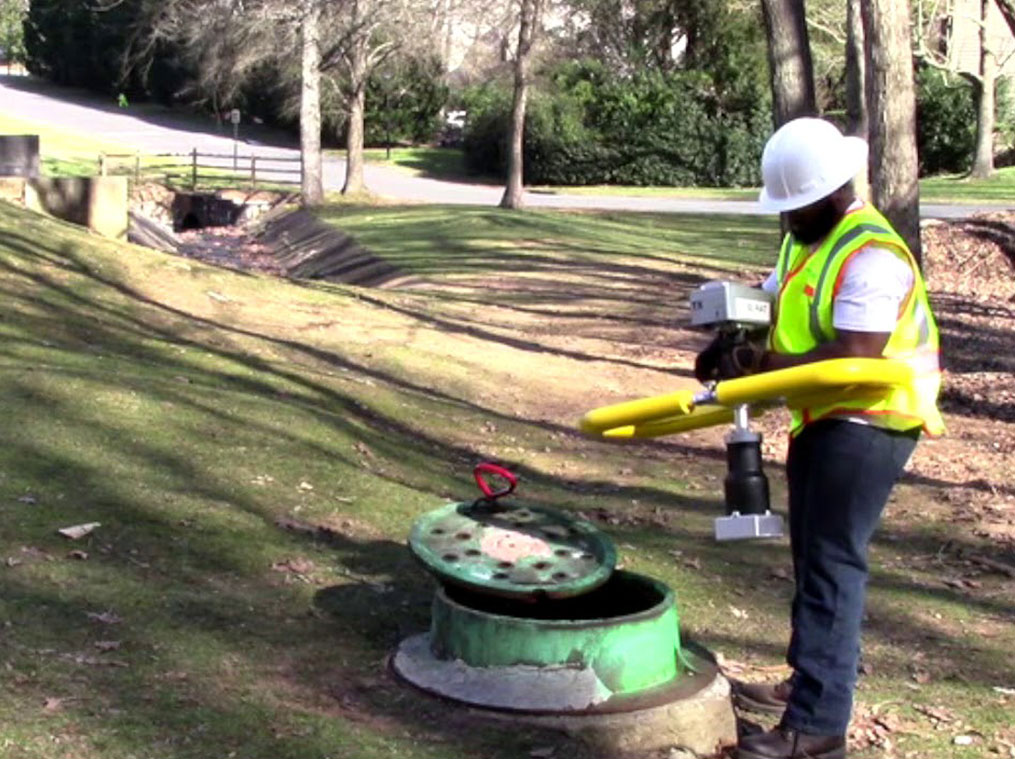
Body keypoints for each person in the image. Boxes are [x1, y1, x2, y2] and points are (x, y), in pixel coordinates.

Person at [694, 117, 944, 759]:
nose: (785, 220)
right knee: (813, 558)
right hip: (823, 416)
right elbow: (773, 301)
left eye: (794, 207)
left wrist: (759, 369)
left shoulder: (873, 255)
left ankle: (818, 726)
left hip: (874, 420)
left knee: (833, 563)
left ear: (834, 192)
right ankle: (810, 681)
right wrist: (733, 341)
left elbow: (855, 351)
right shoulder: (805, 240)